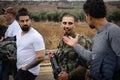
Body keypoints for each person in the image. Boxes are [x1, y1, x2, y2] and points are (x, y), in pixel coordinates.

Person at [63, 0, 120, 80]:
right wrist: (75, 45)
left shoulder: (113, 31)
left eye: (85, 16)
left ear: (89, 16)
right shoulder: (98, 34)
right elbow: (92, 57)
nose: (86, 19)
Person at [49, 13, 92, 80]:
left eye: (70, 23)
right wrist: (54, 56)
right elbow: (65, 58)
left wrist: (69, 76)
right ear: (61, 24)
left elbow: (87, 65)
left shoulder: (81, 41)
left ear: (74, 25)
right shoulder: (63, 40)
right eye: (64, 23)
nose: (67, 26)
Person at [15, 7, 45, 80]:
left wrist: (26, 68)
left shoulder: (36, 36)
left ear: (30, 20)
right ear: (18, 22)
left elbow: (41, 57)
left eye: (27, 20)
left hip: (29, 71)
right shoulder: (18, 33)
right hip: (20, 69)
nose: (25, 23)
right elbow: (21, 49)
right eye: (22, 21)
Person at [1, 6, 21, 80]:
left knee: (15, 76)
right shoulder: (10, 26)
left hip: (11, 58)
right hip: (7, 58)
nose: (4, 15)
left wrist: (13, 55)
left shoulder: (15, 26)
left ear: (11, 15)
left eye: (6, 13)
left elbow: (16, 41)